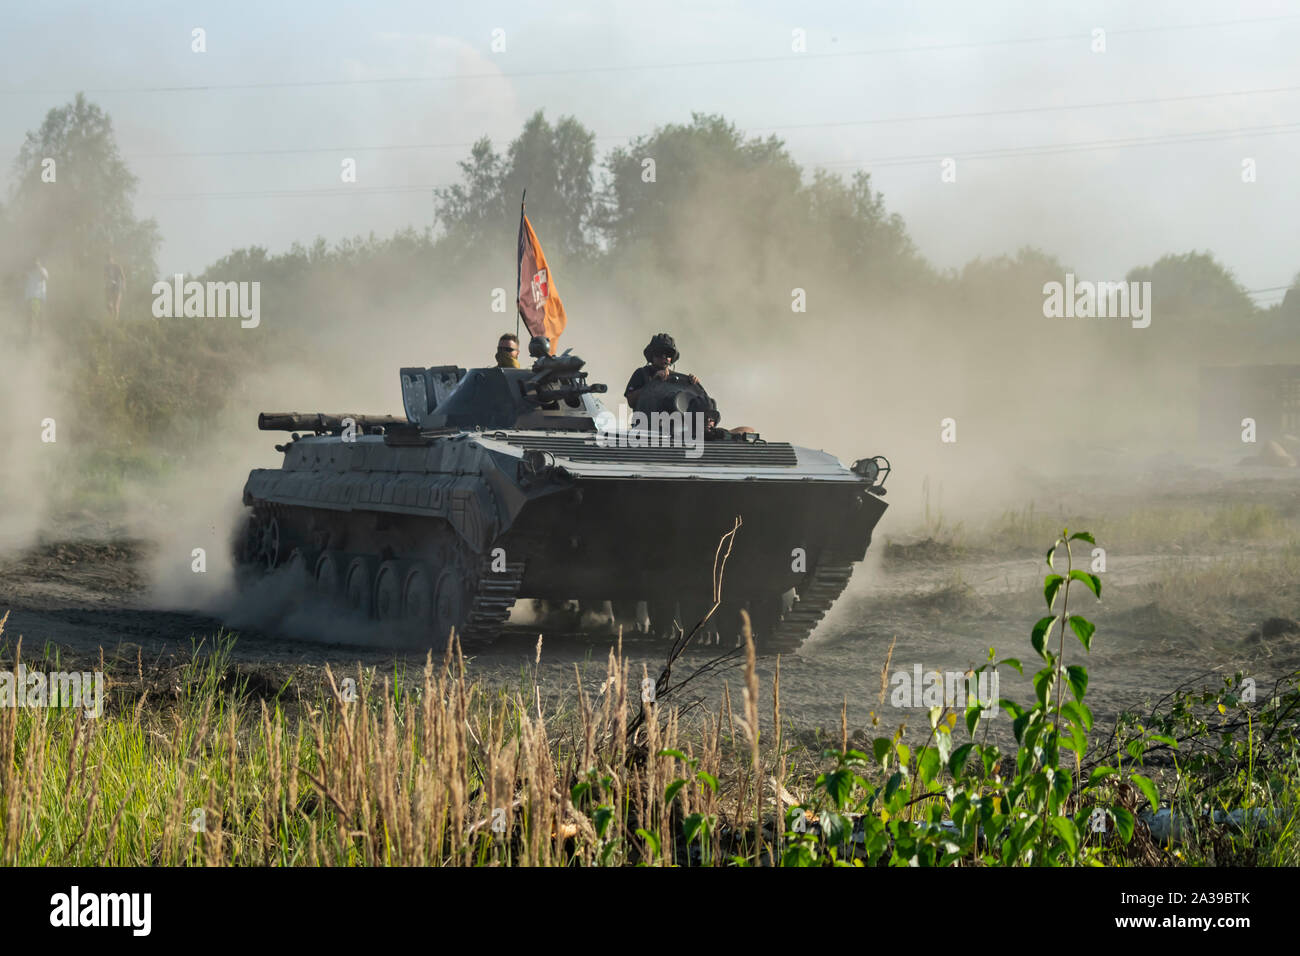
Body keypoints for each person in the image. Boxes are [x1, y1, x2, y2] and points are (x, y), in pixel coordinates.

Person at [624, 333, 701, 409]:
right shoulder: (641, 373)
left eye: (668, 353)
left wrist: (693, 386)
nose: (664, 357)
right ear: (652, 355)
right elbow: (631, 401)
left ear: (672, 358)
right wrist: (653, 383)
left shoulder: (677, 380)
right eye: (659, 352)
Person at [24, 259, 47, 341]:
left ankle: (36, 336)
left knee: (37, 317)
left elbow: (45, 277)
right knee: (32, 316)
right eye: (34, 263)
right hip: (30, 298)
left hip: (38, 297)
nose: (35, 264)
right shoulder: (30, 272)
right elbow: (25, 279)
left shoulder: (43, 270)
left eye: (37, 262)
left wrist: (39, 267)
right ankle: (31, 335)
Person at [104, 253, 124, 319]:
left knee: (115, 305)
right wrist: (105, 285)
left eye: (109, 259)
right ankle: (111, 317)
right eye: (107, 259)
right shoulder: (106, 268)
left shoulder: (117, 266)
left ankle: (115, 321)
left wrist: (123, 286)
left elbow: (123, 277)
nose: (108, 261)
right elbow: (105, 277)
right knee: (108, 304)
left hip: (117, 287)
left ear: (113, 259)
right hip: (109, 286)